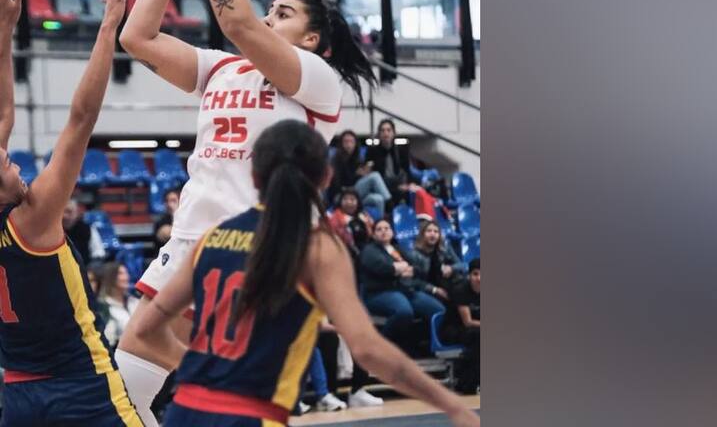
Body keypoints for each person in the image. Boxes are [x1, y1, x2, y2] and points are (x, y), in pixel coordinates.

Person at [116, 0, 376, 426]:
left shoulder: (315, 78)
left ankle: (227, 403)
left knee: (193, 378)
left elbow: (235, 19)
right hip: (194, 235)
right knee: (132, 368)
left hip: (262, 241)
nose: (267, 16)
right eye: (270, 9)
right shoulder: (221, 66)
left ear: (313, 40)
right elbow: (136, 36)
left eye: (283, 14)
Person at [130, 119, 479, 427]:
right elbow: (368, 349)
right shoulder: (317, 248)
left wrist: (200, 368)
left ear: (254, 176)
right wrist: (451, 404)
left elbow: (146, 329)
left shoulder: (211, 238)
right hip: (251, 414)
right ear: (326, 177)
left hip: (186, 411)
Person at [0, 0, 142, 425]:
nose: (15, 162)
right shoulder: (33, 216)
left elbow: (3, 115)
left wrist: (4, 36)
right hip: (81, 385)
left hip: (17, 395)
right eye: (7, 165)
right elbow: (81, 119)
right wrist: (108, 28)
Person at [359, 218, 445, 350]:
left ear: (392, 232)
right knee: (404, 312)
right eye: (379, 229)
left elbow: (417, 268)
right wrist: (396, 269)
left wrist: (404, 269)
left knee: (438, 310)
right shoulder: (369, 250)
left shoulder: (397, 249)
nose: (383, 231)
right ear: (374, 234)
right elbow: (380, 267)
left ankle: (418, 346)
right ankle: (381, 346)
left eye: (387, 228)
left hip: (403, 290)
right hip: (379, 293)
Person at [441, 258, 480, 394]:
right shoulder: (461, 290)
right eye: (475, 274)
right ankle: (467, 382)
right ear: (469, 275)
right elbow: (467, 322)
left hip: (475, 329)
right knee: (478, 338)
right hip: (453, 329)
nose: (479, 278)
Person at [330, 129, 391, 216]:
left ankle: (379, 224)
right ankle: (390, 202)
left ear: (355, 144)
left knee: (379, 199)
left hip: (357, 194)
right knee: (375, 176)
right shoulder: (336, 160)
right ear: (341, 144)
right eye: (346, 142)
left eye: (351, 142)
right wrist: (357, 175)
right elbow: (338, 184)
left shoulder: (357, 158)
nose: (349, 145)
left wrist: (363, 174)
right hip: (342, 194)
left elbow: (358, 179)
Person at [365, 119, 420, 208]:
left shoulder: (401, 150)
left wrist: (409, 184)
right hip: (381, 185)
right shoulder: (372, 151)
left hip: (397, 183)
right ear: (379, 134)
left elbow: (407, 170)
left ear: (394, 133)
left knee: (414, 190)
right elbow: (370, 172)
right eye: (382, 131)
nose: (386, 133)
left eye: (388, 130)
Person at [409, 220, 465, 300]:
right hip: (426, 290)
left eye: (436, 231)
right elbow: (413, 281)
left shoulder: (445, 249)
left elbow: (463, 265)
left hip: (446, 286)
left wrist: (451, 268)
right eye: (429, 231)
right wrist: (434, 289)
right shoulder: (414, 254)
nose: (433, 234)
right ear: (422, 235)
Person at [101, 262, 140, 349]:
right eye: (121, 274)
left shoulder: (135, 301)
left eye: (126, 273)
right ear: (111, 277)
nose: (126, 277)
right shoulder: (104, 308)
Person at [328, 187, 374, 253]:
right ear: (340, 202)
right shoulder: (334, 218)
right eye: (345, 199)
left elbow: (372, 235)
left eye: (352, 199)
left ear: (358, 202)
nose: (349, 202)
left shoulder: (364, 215)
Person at [62, 198, 105, 266]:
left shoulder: (88, 229)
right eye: (62, 212)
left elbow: (98, 253)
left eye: (69, 212)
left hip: (85, 270)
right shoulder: (53, 231)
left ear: (77, 213)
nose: (65, 216)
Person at [152, 189, 179, 254]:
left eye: (173, 201)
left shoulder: (186, 219)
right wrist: (174, 214)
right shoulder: (160, 222)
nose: (170, 204)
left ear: (179, 202)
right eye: (167, 201)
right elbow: (170, 235)